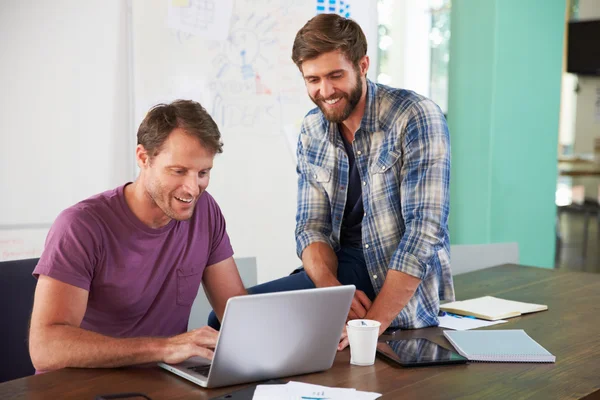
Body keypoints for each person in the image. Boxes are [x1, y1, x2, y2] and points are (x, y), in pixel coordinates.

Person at [208, 13, 454, 351]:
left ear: (363, 65)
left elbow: (424, 233)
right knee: (225, 319)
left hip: (392, 275)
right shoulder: (312, 129)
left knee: (234, 323)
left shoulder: (415, 116)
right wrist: (332, 292)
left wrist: (371, 324)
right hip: (341, 273)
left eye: (336, 75)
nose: (325, 91)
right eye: (313, 79)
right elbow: (310, 227)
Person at [29, 100, 247, 372]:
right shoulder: (81, 225)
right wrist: (165, 348)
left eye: (203, 173)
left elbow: (235, 310)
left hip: (164, 384)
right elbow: (46, 348)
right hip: (85, 387)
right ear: (144, 158)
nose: (193, 188)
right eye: (178, 171)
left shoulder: (205, 211)